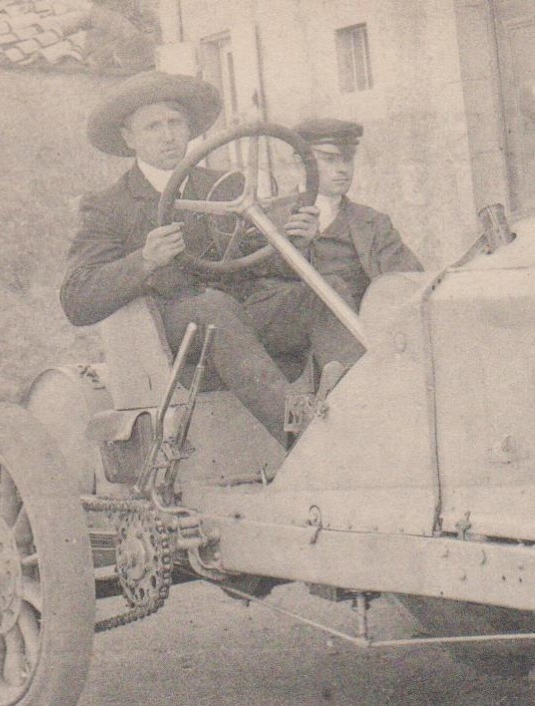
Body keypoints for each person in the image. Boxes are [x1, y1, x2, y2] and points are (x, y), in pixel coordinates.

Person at [59, 71, 356, 446]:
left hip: (244, 318)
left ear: (188, 129)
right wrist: (145, 260)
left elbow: (258, 263)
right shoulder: (108, 206)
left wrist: (294, 242)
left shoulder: (225, 187)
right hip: (176, 341)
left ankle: (358, 408)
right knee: (212, 309)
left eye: (175, 122)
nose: (168, 135)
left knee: (327, 290)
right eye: (153, 126)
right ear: (128, 137)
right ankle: (306, 438)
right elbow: (76, 300)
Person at [242, 117, 423, 395]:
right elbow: (255, 285)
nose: (342, 170)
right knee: (331, 289)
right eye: (329, 160)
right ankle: (359, 388)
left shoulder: (372, 223)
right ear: (300, 162)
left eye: (347, 160)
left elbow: (407, 281)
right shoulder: (265, 216)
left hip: (364, 333)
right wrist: (297, 246)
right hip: (293, 333)